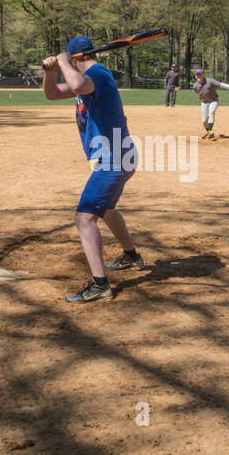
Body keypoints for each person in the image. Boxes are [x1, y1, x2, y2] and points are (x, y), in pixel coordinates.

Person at [42, 36, 143, 304]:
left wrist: (62, 61)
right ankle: (131, 255)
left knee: (84, 217)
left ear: (77, 59)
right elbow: (52, 93)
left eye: (70, 60)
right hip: (117, 156)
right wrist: (50, 73)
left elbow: (76, 83)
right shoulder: (87, 80)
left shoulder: (98, 74)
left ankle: (99, 284)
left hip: (114, 157)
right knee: (106, 209)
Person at [192, 69, 229, 139]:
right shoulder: (195, 86)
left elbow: (222, 85)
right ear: (195, 76)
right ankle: (208, 132)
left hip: (214, 100)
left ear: (203, 75)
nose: (199, 76)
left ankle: (210, 131)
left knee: (211, 112)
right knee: (204, 121)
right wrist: (199, 96)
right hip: (204, 102)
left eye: (200, 74)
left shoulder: (210, 81)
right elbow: (198, 94)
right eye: (197, 75)